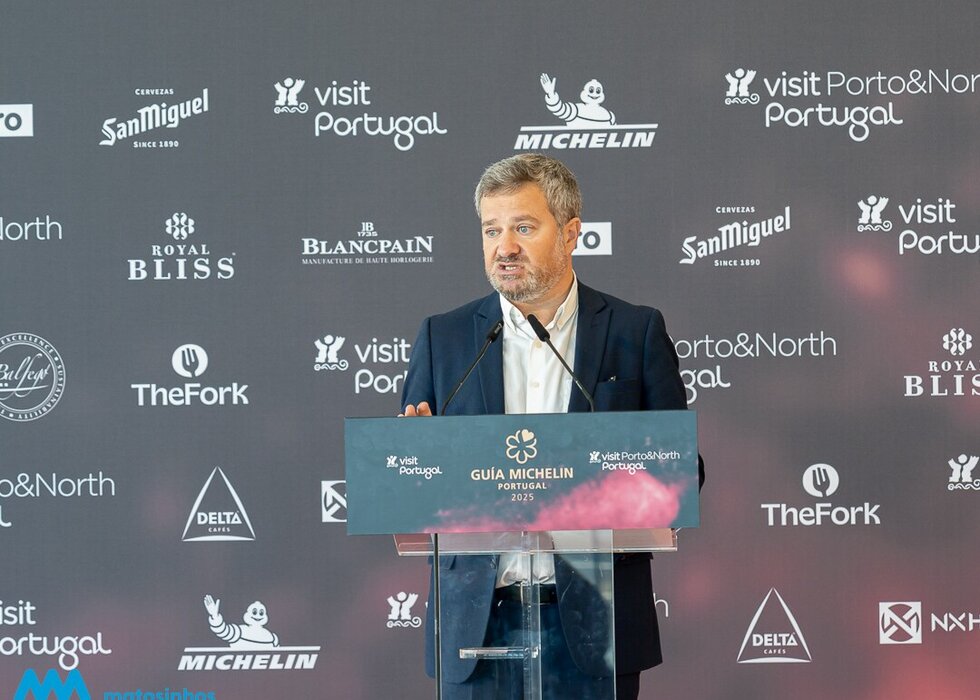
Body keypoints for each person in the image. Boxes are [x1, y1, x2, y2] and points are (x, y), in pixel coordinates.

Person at [400, 153, 703, 699]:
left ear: (570, 233)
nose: (504, 247)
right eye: (491, 230)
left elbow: (681, 472)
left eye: (523, 227)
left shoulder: (634, 331)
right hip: (476, 629)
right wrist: (413, 461)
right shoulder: (443, 339)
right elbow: (411, 480)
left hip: (596, 627)